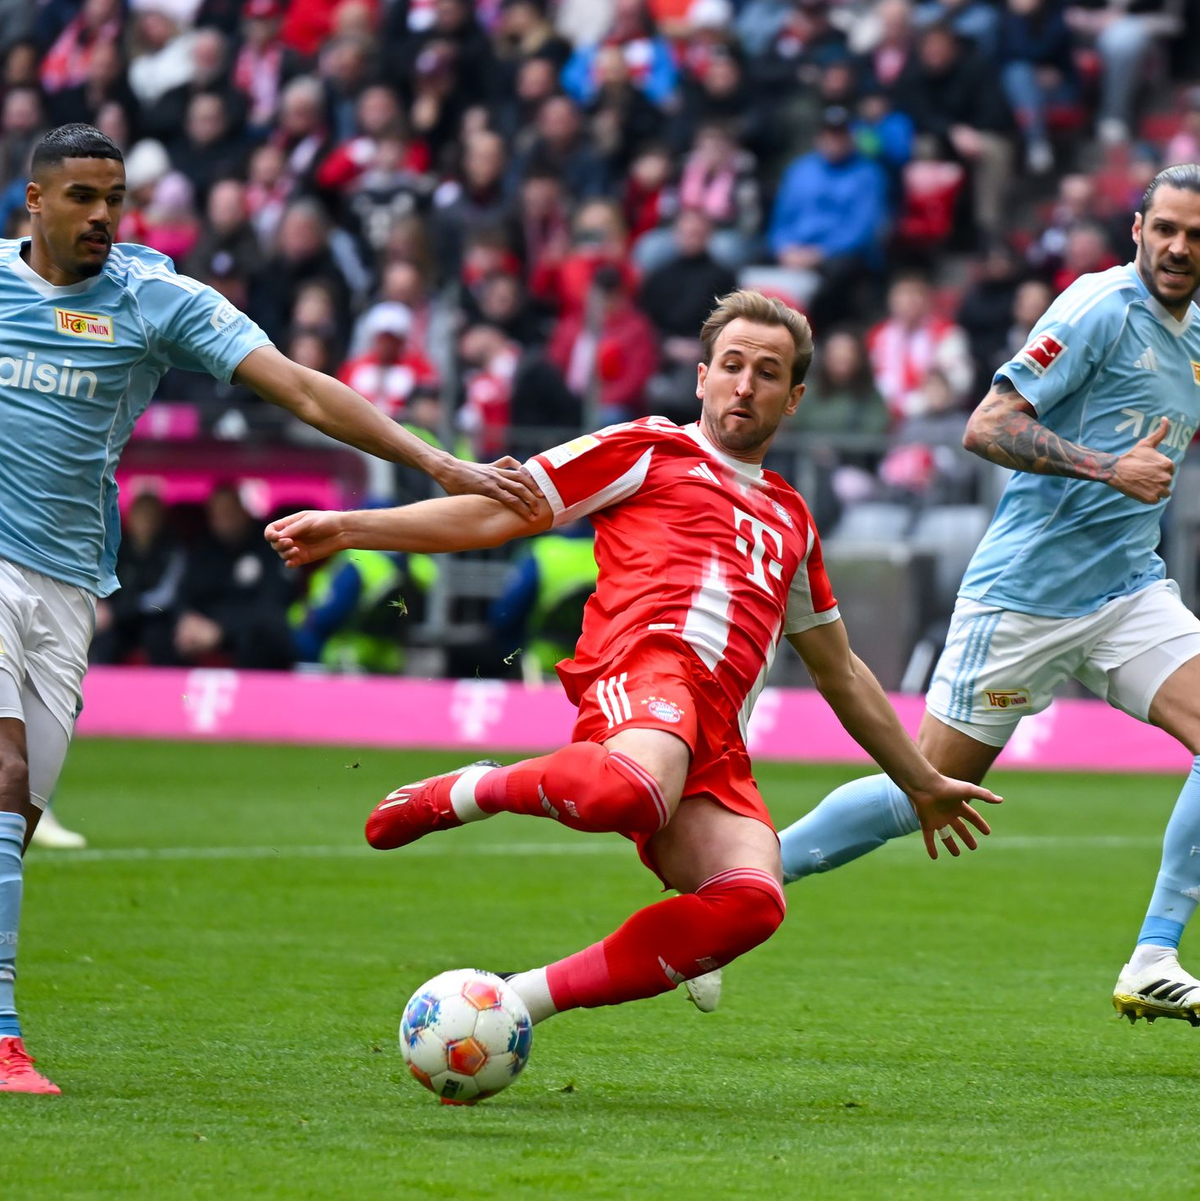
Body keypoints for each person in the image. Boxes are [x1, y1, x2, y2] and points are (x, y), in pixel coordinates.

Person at [266, 290, 998, 1036]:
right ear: (702, 377)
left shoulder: (793, 520)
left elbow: (840, 671)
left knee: (753, 898)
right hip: (646, 673)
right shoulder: (647, 447)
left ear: (794, 397)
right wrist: (352, 527)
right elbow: (498, 507)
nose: (746, 385)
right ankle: (474, 787)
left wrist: (921, 779)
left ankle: (519, 1000)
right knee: (637, 792)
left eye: (768, 373)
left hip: (716, 740)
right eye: (733, 366)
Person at [0, 123, 541, 1095]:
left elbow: (298, 386)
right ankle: (0, 1035)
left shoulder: (153, 296)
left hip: (68, 581)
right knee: (0, 778)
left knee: (17, 815)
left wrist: (434, 459)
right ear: (32, 201)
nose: (102, 218)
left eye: (114, 198)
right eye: (81, 197)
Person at [732, 163, 1200, 1025]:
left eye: (1195, 235)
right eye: (1164, 227)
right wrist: (1109, 466)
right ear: (1136, 228)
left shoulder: (1196, 333)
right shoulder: (1098, 308)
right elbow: (985, 425)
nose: (1178, 247)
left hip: (1128, 591)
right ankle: (746, 875)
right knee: (924, 787)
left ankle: (1154, 955)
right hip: (1024, 599)